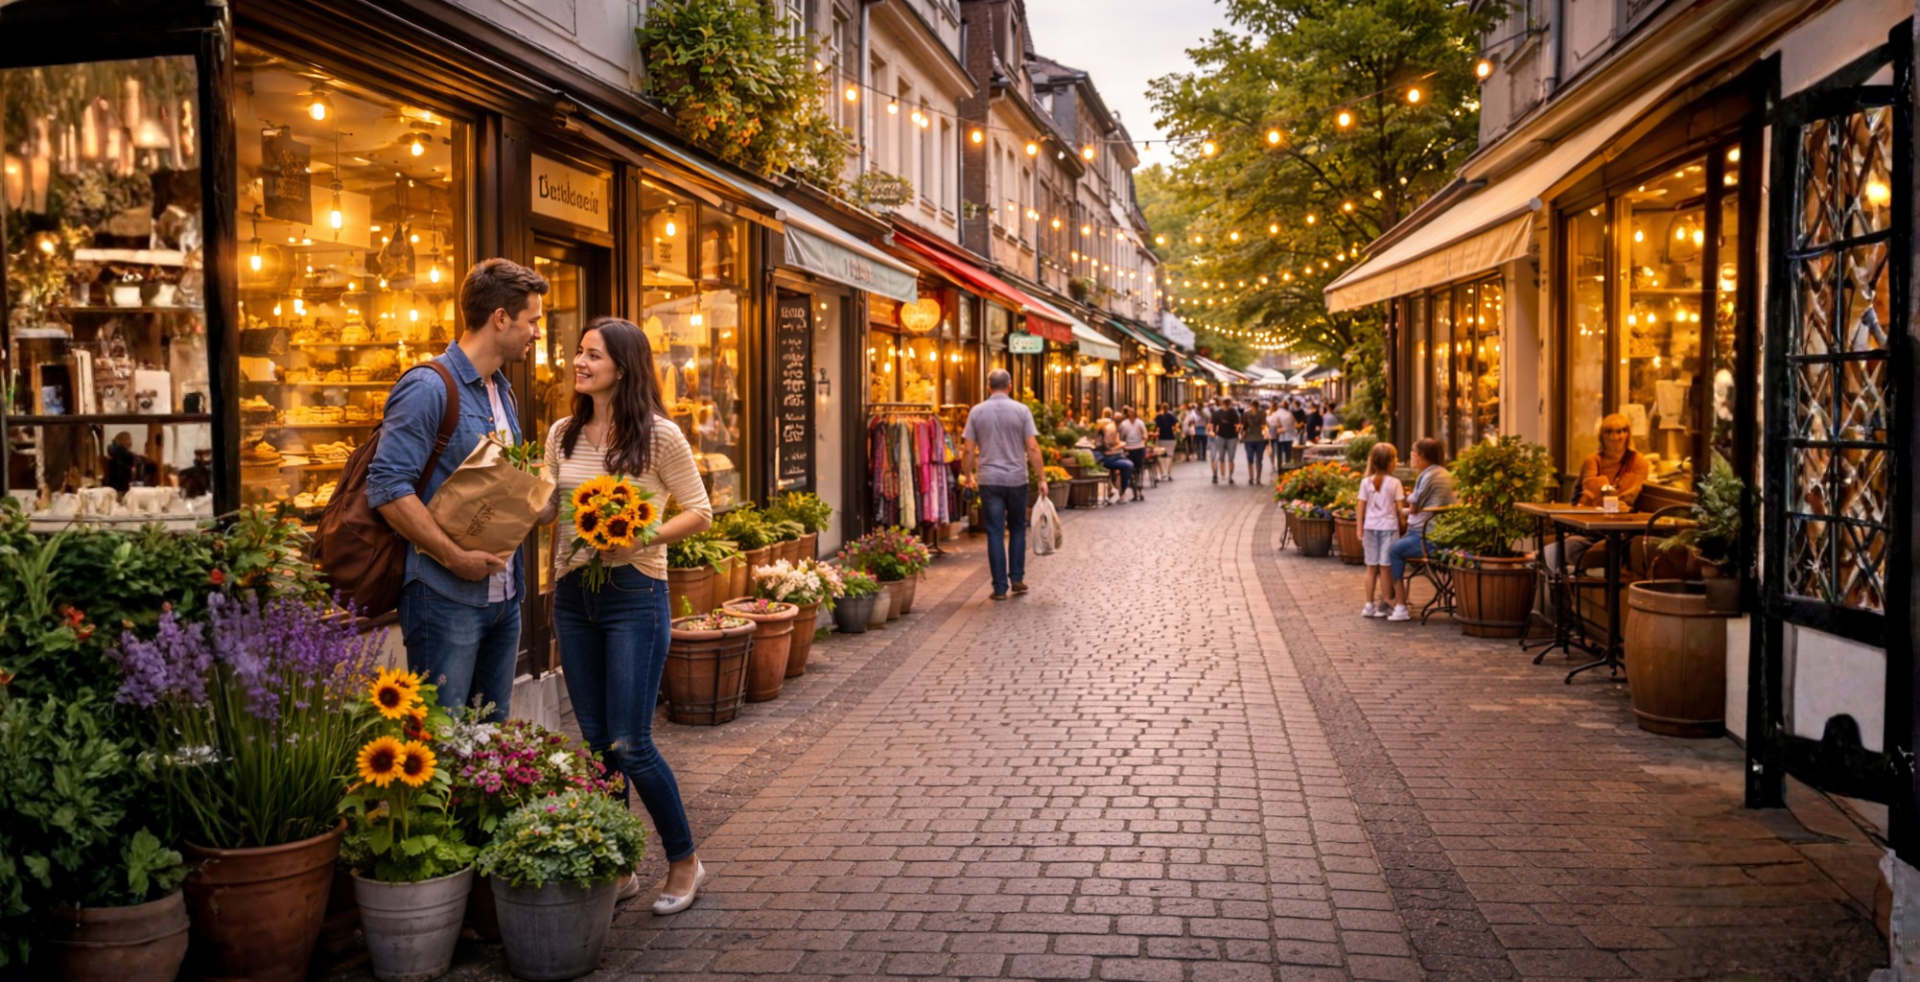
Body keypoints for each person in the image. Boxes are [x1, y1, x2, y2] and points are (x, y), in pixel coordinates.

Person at [535, 316, 711, 914]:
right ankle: (621, 863)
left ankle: (685, 859)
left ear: (624, 367)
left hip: (635, 594)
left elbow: (701, 511)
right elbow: (544, 511)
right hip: (572, 597)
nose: (578, 364)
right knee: (595, 745)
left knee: (630, 742)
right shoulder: (561, 433)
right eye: (578, 353)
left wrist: (641, 539)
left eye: (591, 356)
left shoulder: (660, 437)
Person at [369, 258, 546, 719]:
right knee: (442, 742)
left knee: (491, 741)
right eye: (533, 321)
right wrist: (455, 557)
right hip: (443, 598)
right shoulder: (428, 386)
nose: (538, 333)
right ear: (501, 318)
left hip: (505, 597)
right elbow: (387, 487)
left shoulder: (502, 390)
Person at [962, 369, 1048, 601]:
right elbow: (1032, 447)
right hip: (1016, 478)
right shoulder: (1022, 410)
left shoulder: (977, 412)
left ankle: (1000, 588)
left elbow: (968, 448)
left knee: (995, 532)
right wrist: (1041, 478)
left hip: (989, 479)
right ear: (1009, 386)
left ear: (988, 387)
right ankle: (1017, 578)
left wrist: (968, 475)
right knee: (1018, 527)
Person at [1545, 413, 1652, 571]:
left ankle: (1536, 562)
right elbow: (1589, 486)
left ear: (1628, 434)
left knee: (1550, 555)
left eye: (1621, 431)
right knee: (1551, 554)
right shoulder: (1593, 460)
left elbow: (1629, 494)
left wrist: (1602, 494)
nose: (1615, 437)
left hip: (1620, 532)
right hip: (1586, 527)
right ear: (1602, 435)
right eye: (1609, 431)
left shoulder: (1638, 462)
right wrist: (1604, 488)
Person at [1385, 438, 1456, 621]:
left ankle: (1399, 605)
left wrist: (1400, 509)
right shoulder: (1444, 473)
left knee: (1392, 550)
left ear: (1422, 455)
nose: (1412, 458)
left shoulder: (1428, 475)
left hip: (1427, 537)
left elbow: (1415, 505)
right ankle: (1392, 600)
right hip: (1440, 533)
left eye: (1413, 454)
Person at [1358, 441, 1406, 619]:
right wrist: (1406, 519)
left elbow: (1360, 507)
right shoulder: (1395, 483)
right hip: (1388, 528)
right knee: (1385, 568)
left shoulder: (1365, 482)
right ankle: (1385, 604)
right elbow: (1401, 510)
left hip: (1370, 527)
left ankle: (1368, 605)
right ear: (1391, 462)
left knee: (1371, 568)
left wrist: (1359, 529)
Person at [1093, 408, 1136, 500]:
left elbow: (1111, 444)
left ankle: (1122, 489)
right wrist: (1120, 445)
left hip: (1110, 455)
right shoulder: (1111, 428)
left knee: (1127, 463)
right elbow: (1108, 446)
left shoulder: (1113, 427)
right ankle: (1122, 490)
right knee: (1127, 465)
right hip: (1107, 457)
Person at [1118, 406, 1149, 501]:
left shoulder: (1140, 423)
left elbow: (1145, 435)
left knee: (1138, 470)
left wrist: (1143, 438)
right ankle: (1134, 488)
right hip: (1129, 449)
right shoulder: (1124, 424)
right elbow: (1121, 437)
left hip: (1138, 448)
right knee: (1131, 470)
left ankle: (1136, 489)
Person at [1209, 398, 1242, 484]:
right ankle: (1223, 475)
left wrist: (1238, 430)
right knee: (1221, 458)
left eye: (1228, 403)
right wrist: (1213, 432)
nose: (1227, 404)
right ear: (1222, 403)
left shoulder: (1234, 412)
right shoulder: (1217, 413)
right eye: (1225, 403)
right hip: (1221, 436)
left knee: (1230, 458)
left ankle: (1230, 477)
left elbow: (1238, 424)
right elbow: (1213, 424)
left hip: (1232, 437)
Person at [1241, 401, 1270, 486]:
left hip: (1253, 438)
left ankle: (1253, 478)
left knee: (1254, 459)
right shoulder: (1259, 414)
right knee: (1257, 459)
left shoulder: (1259, 414)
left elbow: (1244, 426)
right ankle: (1255, 478)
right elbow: (1265, 425)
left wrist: (1243, 435)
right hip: (1256, 438)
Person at [1269, 399, 1298, 471]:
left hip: (1279, 437)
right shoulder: (1289, 414)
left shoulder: (1276, 414)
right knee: (1288, 455)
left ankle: (1280, 470)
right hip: (1289, 437)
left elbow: (1271, 422)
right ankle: (1288, 470)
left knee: (1279, 455)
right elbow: (1294, 424)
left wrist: (1279, 428)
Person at [1153, 403, 1180, 480]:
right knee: (1170, 456)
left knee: (1161, 457)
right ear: (1168, 408)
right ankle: (1169, 474)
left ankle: (1162, 474)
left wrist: (1156, 432)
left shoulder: (1159, 416)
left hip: (1162, 438)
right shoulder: (1172, 416)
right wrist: (1174, 430)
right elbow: (1176, 425)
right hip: (1171, 438)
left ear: (1162, 408)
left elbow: (1156, 427)